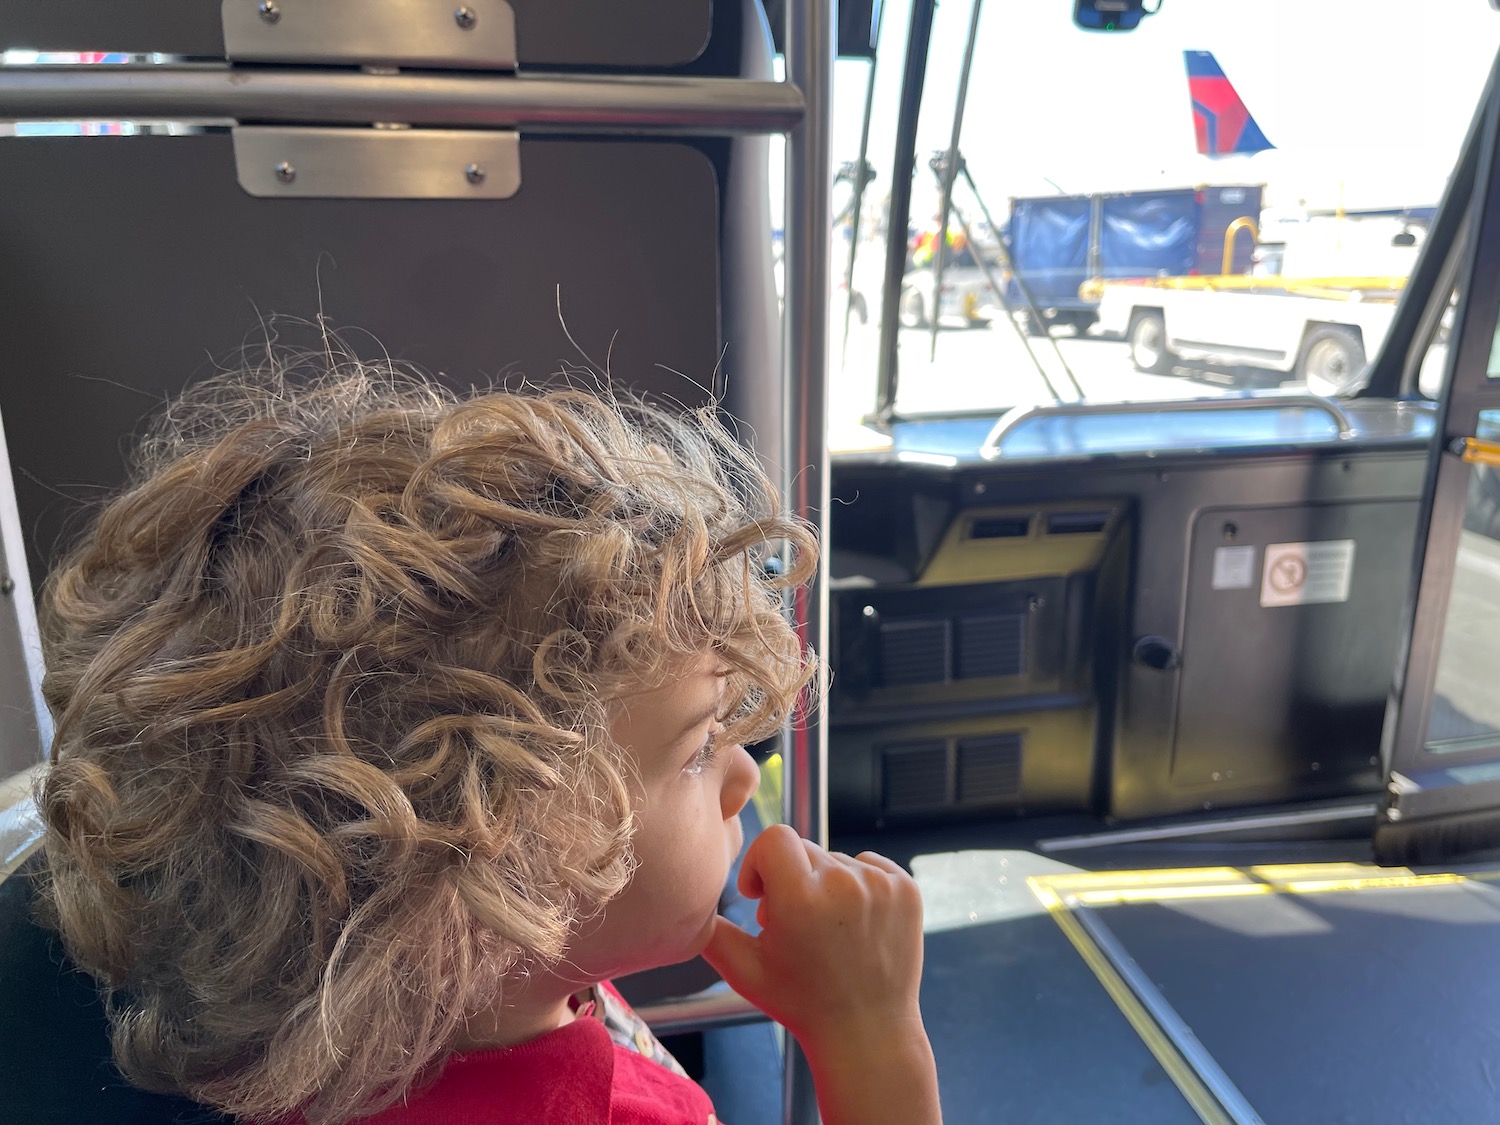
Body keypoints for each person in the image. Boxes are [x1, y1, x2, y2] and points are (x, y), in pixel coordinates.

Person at [33, 352, 942, 1125]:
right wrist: (871, 1036)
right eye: (697, 748)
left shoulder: (377, 1026)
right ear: (476, 876)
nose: (745, 774)